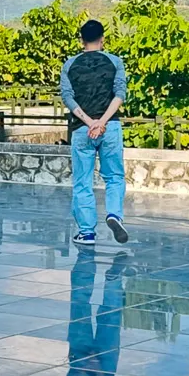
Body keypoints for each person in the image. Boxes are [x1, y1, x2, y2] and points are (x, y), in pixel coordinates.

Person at [60, 18, 130, 246]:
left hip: (82, 129)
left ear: (81, 40)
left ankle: (87, 232)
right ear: (103, 39)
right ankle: (114, 214)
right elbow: (120, 94)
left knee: (82, 181)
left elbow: (68, 97)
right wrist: (102, 122)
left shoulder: (69, 65)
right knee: (115, 176)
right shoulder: (115, 62)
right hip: (110, 128)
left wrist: (90, 122)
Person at [55, 250, 127, 376]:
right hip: (105, 365)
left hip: (79, 360)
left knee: (80, 312)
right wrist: (98, 371)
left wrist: (85, 367)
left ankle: (84, 267)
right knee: (111, 321)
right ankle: (113, 280)